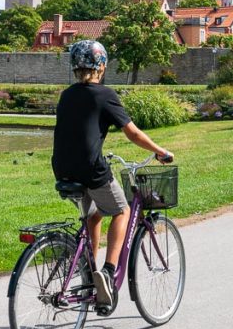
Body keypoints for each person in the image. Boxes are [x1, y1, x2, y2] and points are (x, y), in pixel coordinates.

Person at [52, 40, 173, 311]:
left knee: (93, 215)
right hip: (90, 169)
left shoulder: (66, 95)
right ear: (101, 66)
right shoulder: (104, 94)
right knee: (122, 211)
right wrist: (159, 150)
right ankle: (107, 272)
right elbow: (132, 132)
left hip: (62, 168)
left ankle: (89, 274)